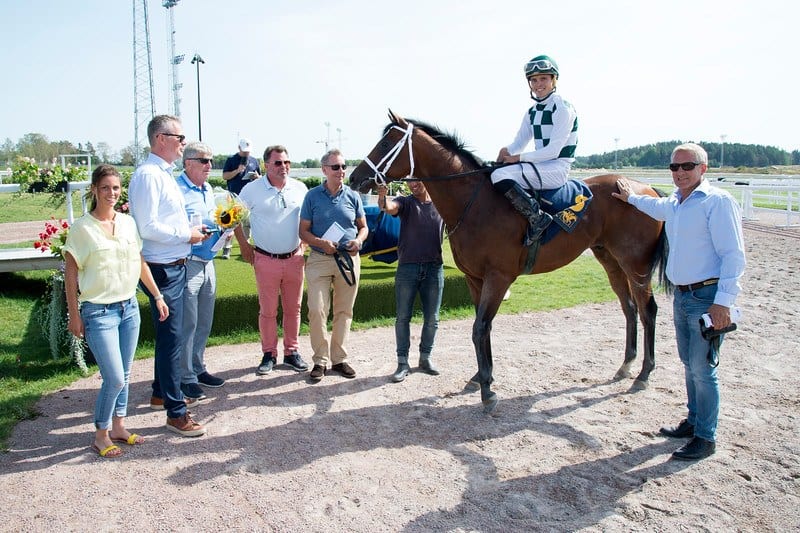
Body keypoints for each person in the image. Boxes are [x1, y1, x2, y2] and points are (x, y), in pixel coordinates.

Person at [612, 142, 746, 461]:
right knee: (689, 365)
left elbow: (733, 256)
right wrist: (629, 197)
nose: (680, 173)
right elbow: (657, 209)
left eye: (688, 166)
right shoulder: (677, 202)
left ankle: (706, 437)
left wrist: (723, 303)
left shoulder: (717, 202)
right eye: (675, 167)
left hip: (707, 297)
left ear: (704, 168)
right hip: (683, 296)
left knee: (703, 369)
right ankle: (694, 421)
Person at [63, 164, 169, 458]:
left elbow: (140, 263)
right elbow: (71, 275)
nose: (112, 193)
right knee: (115, 378)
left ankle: (119, 427)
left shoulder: (127, 223)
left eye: (116, 188)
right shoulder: (82, 229)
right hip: (98, 312)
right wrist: (74, 314)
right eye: (106, 187)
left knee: (124, 371)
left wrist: (157, 296)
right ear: (95, 190)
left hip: (129, 308)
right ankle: (100, 434)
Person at [128, 114, 208, 438]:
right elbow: (146, 227)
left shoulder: (161, 174)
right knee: (172, 340)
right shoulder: (149, 176)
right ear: (161, 139)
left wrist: (187, 234)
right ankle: (176, 413)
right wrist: (185, 234)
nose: (183, 144)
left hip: (171, 263)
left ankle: (161, 392)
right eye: (180, 138)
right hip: (162, 268)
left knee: (168, 336)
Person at [235, 145, 309, 375]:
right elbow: (234, 218)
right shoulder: (251, 190)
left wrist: (304, 245)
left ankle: (291, 352)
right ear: (267, 165)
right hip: (265, 259)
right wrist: (244, 245)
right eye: (278, 163)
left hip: (295, 258)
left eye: (287, 162)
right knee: (268, 310)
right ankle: (269, 354)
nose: (283, 167)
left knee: (294, 309)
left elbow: (308, 219)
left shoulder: (300, 188)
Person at [491, 54, 579, 246]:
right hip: (541, 166)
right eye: (533, 80)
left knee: (500, 176)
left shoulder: (563, 108)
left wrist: (517, 158)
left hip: (557, 168)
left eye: (543, 79)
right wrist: (506, 151)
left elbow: (553, 151)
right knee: (494, 171)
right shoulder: (532, 112)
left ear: (554, 80)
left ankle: (537, 218)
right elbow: (519, 143)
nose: (538, 84)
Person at [299, 149, 368, 382]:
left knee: (344, 311)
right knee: (317, 310)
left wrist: (359, 241)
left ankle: (338, 359)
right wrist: (321, 243)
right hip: (319, 258)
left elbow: (363, 227)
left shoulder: (353, 196)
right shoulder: (312, 196)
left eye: (344, 167)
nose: (341, 171)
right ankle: (320, 360)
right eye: (336, 167)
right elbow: (303, 232)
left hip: (348, 259)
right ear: (324, 169)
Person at [377, 181, 445, 383]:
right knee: (403, 317)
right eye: (409, 181)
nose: (412, 184)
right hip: (408, 267)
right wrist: (382, 196)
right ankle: (402, 362)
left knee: (432, 319)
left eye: (416, 179)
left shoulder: (441, 204)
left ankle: (425, 358)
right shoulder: (405, 203)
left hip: (434, 268)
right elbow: (388, 208)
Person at [177, 141, 226, 401]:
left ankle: (197, 367)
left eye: (211, 160)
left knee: (204, 321)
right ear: (188, 163)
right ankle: (185, 377)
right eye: (204, 161)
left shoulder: (207, 188)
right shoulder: (177, 189)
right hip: (188, 262)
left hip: (209, 261)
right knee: (189, 323)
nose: (210, 165)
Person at [221, 138, 260, 259]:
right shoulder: (231, 160)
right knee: (231, 223)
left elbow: (260, 177)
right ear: (239, 148)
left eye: (248, 151)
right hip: (234, 196)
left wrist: (257, 177)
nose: (246, 153)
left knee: (247, 224)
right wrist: (237, 171)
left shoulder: (254, 161)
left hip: (250, 197)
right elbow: (225, 176)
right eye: (244, 151)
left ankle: (246, 247)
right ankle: (226, 249)